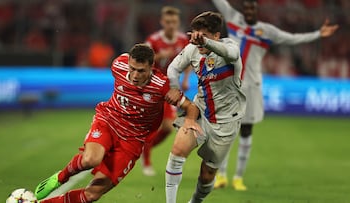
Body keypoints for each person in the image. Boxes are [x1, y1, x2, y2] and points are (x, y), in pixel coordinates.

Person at [33, 44, 201, 203]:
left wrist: (189, 120)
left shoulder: (162, 86)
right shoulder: (118, 65)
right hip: (108, 121)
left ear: (151, 67)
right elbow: (131, 57)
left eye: (141, 71)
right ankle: (60, 178)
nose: (135, 75)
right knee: (90, 159)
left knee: (92, 194)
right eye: (132, 69)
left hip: (132, 141)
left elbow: (190, 107)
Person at [211, 0, 339, 191]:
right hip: (231, 85)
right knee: (225, 131)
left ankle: (238, 177)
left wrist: (318, 34)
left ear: (256, 11)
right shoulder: (233, 18)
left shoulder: (267, 31)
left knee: (246, 131)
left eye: (251, 9)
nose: (248, 12)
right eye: (245, 9)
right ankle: (221, 176)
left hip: (252, 87)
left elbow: (292, 38)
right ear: (243, 10)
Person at [164, 11, 246, 203]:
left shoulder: (230, 46)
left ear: (217, 36)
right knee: (178, 150)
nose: (197, 40)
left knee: (207, 176)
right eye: (195, 35)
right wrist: (175, 87)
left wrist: (205, 43)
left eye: (204, 36)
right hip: (200, 111)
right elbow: (173, 68)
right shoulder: (193, 49)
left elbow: (231, 54)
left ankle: (195, 201)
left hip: (227, 120)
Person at [142, 6, 190, 176]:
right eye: (168, 22)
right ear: (162, 22)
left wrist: (185, 80)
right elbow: (142, 60)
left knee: (168, 128)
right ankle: (146, 161)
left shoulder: (183, 40)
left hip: (170, 88)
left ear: (178, 23)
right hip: (153, 87)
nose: (171, 25)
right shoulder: (153, 40)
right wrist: (160, 56)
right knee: (150, 127)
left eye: (174, 22)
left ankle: (144, 149)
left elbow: (189, 60)